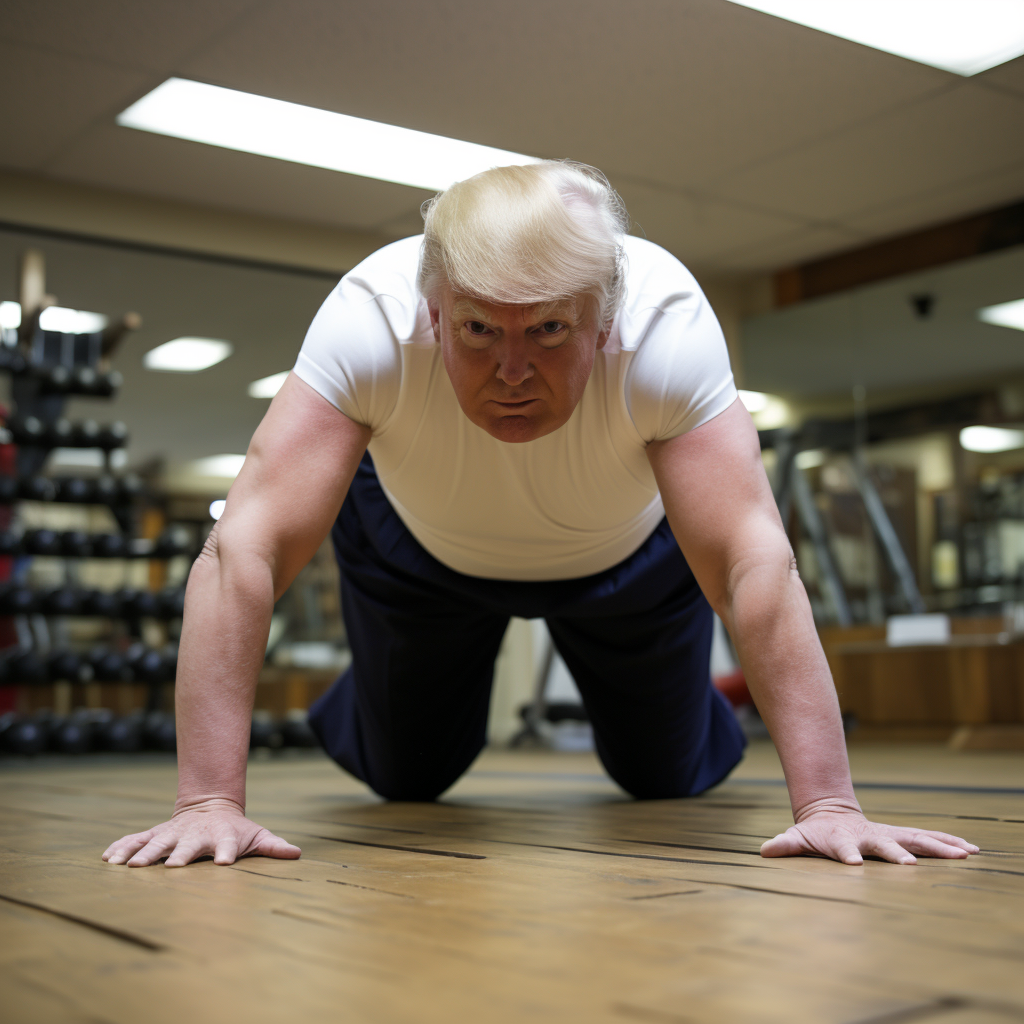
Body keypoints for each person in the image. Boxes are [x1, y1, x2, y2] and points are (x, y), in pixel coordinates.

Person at [102, 161, 976, 870]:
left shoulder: (666, 328)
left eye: (550, 332)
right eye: (479, 331)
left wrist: (827, 802)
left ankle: (683, 706)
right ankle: (372, 687)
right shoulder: (370, 318)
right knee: (406, 776)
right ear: (433, 314)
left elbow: (754, 558)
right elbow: (241, 545)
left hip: (629, 560)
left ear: (605, 325)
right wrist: (208, 801)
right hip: (417, 550)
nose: (512, 371)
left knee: (664, 776)